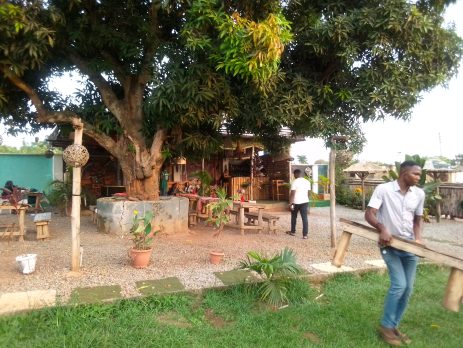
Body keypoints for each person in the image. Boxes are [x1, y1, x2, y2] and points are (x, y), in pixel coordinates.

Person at [365, 160, 425, 346]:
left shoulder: (419, 194)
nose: (418, 177)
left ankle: (392, 325)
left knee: (407, 290)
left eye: (419, 175)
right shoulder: (384, 189)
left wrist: (418, 239)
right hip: (389, 245)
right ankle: (386, 327)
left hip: (410, 248)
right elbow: (369, 214)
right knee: (399, 285)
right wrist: (382, 228)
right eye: (415, 174)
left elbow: (417, 220)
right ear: (404, 172)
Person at [286, 169, 311, 239]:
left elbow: (292, 194)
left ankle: (293, 232)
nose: (294, 176)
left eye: (294, 174)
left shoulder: (294, 182)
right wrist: (306, 199)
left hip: (295, 202)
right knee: (304, 218)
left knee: (294, 216)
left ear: (296, 174)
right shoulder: (307, 182)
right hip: (305, 202)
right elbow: (309, 193)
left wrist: (290, 203)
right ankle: (305, 235)